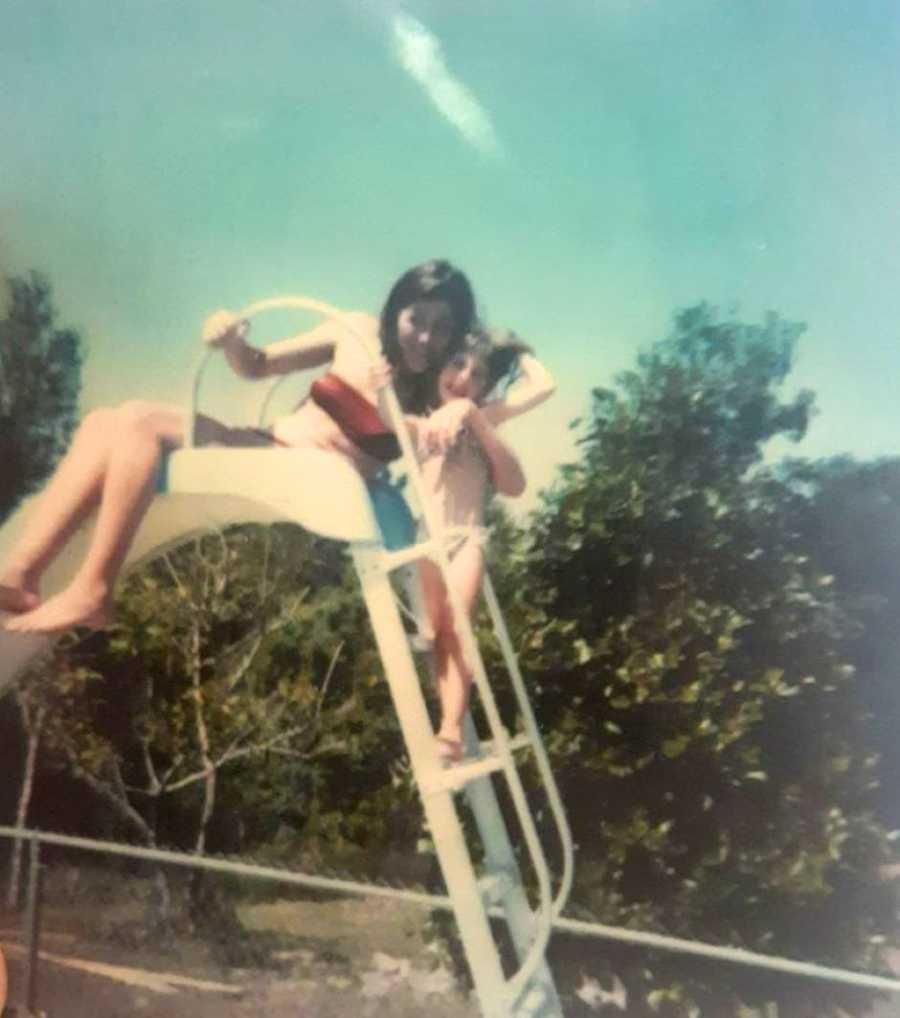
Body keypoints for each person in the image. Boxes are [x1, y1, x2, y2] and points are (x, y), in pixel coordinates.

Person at [1, 260, 476, 634]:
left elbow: (441, 433)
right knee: (109, 421)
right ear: (398, 310)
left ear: (456, 333)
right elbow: (257, 365)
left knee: (142, 424)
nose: (426, 337)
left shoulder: (444, 384)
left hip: (316, 475)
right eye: (418, 319)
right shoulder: (356, 332)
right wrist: (230, 340)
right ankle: (20, 574)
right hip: (268, 445)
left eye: (443, 326)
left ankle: (92, 588)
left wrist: (450, 411)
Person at [407, 329, 555, 763]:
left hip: (465, 538)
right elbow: (382, 414)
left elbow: (545, 386)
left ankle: (450, 729)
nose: (464, 377)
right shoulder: (417, 420)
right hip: (425, 542)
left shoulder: (483, 415)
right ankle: (450, 725)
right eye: (457, 364)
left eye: (477, 373)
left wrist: (522, 350)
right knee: (438, 635)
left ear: (486, 386)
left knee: (458, 625)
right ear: (438, 367)